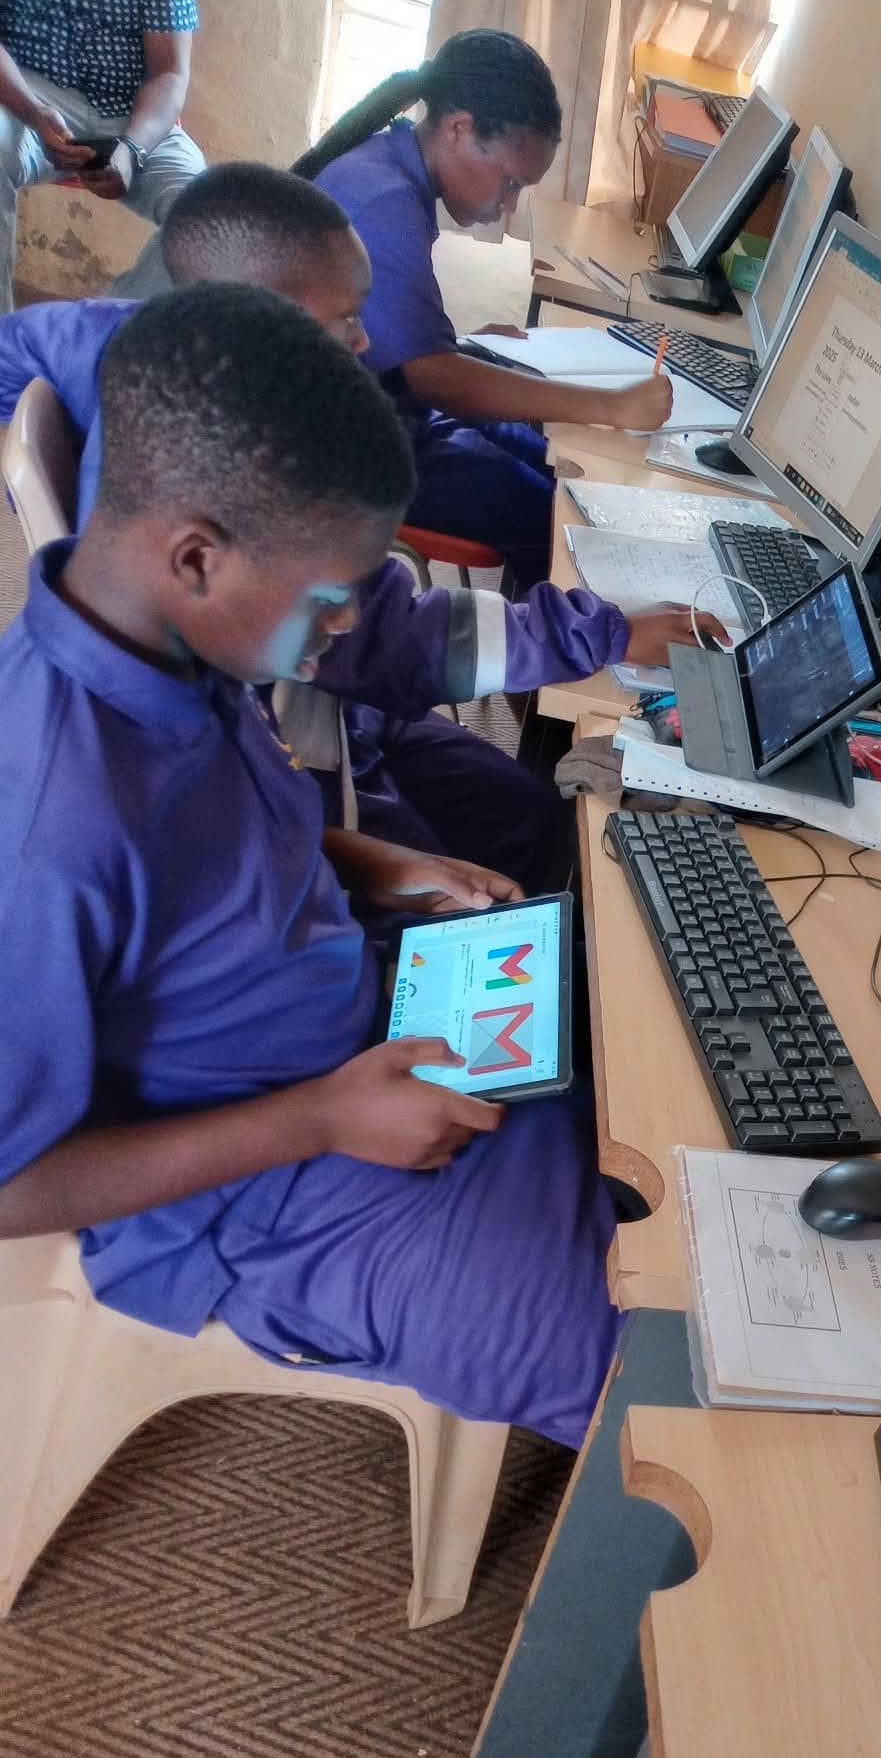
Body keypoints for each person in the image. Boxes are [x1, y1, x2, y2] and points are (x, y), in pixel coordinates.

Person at [0, 282, 622, 1436]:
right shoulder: (42, 828)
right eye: (334, 599)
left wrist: (370, 860)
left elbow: (203, 857)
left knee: (649, 1042)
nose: (344, 629)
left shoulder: (184, 648)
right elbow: (10, 1182)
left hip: (357, 1018)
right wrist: (324, 1120)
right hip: (256, 1188)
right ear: (197, 557)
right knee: (652, 1379)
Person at [0, 160, 715, 889]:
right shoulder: (262, 516)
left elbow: (14, 347)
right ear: (258, 312)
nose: (367, 340)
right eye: (347, 317)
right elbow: (383, 638)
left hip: (333, 707)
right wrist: (605, 636)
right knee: (509, 858)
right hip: (305, 742)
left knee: (527, 814)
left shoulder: (132, 343)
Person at [294, 29, 673, 587]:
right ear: (459, 129)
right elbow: (436, 380)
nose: (508, 206)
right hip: (345, 452)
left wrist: (461, 346)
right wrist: (610, 406)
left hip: (385, 408)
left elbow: (409, 350)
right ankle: (549, 635)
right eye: (510, 183)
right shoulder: (384, 202)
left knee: (549, 457)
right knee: (554, 515)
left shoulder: (392, 165)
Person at [0, 0, 205, 313]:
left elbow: (170, 73)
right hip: (30, 95)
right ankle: (6, 342)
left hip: (135, 113)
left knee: (205, 213)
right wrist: (33, 112)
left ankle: (105, 333)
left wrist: (132, 149)